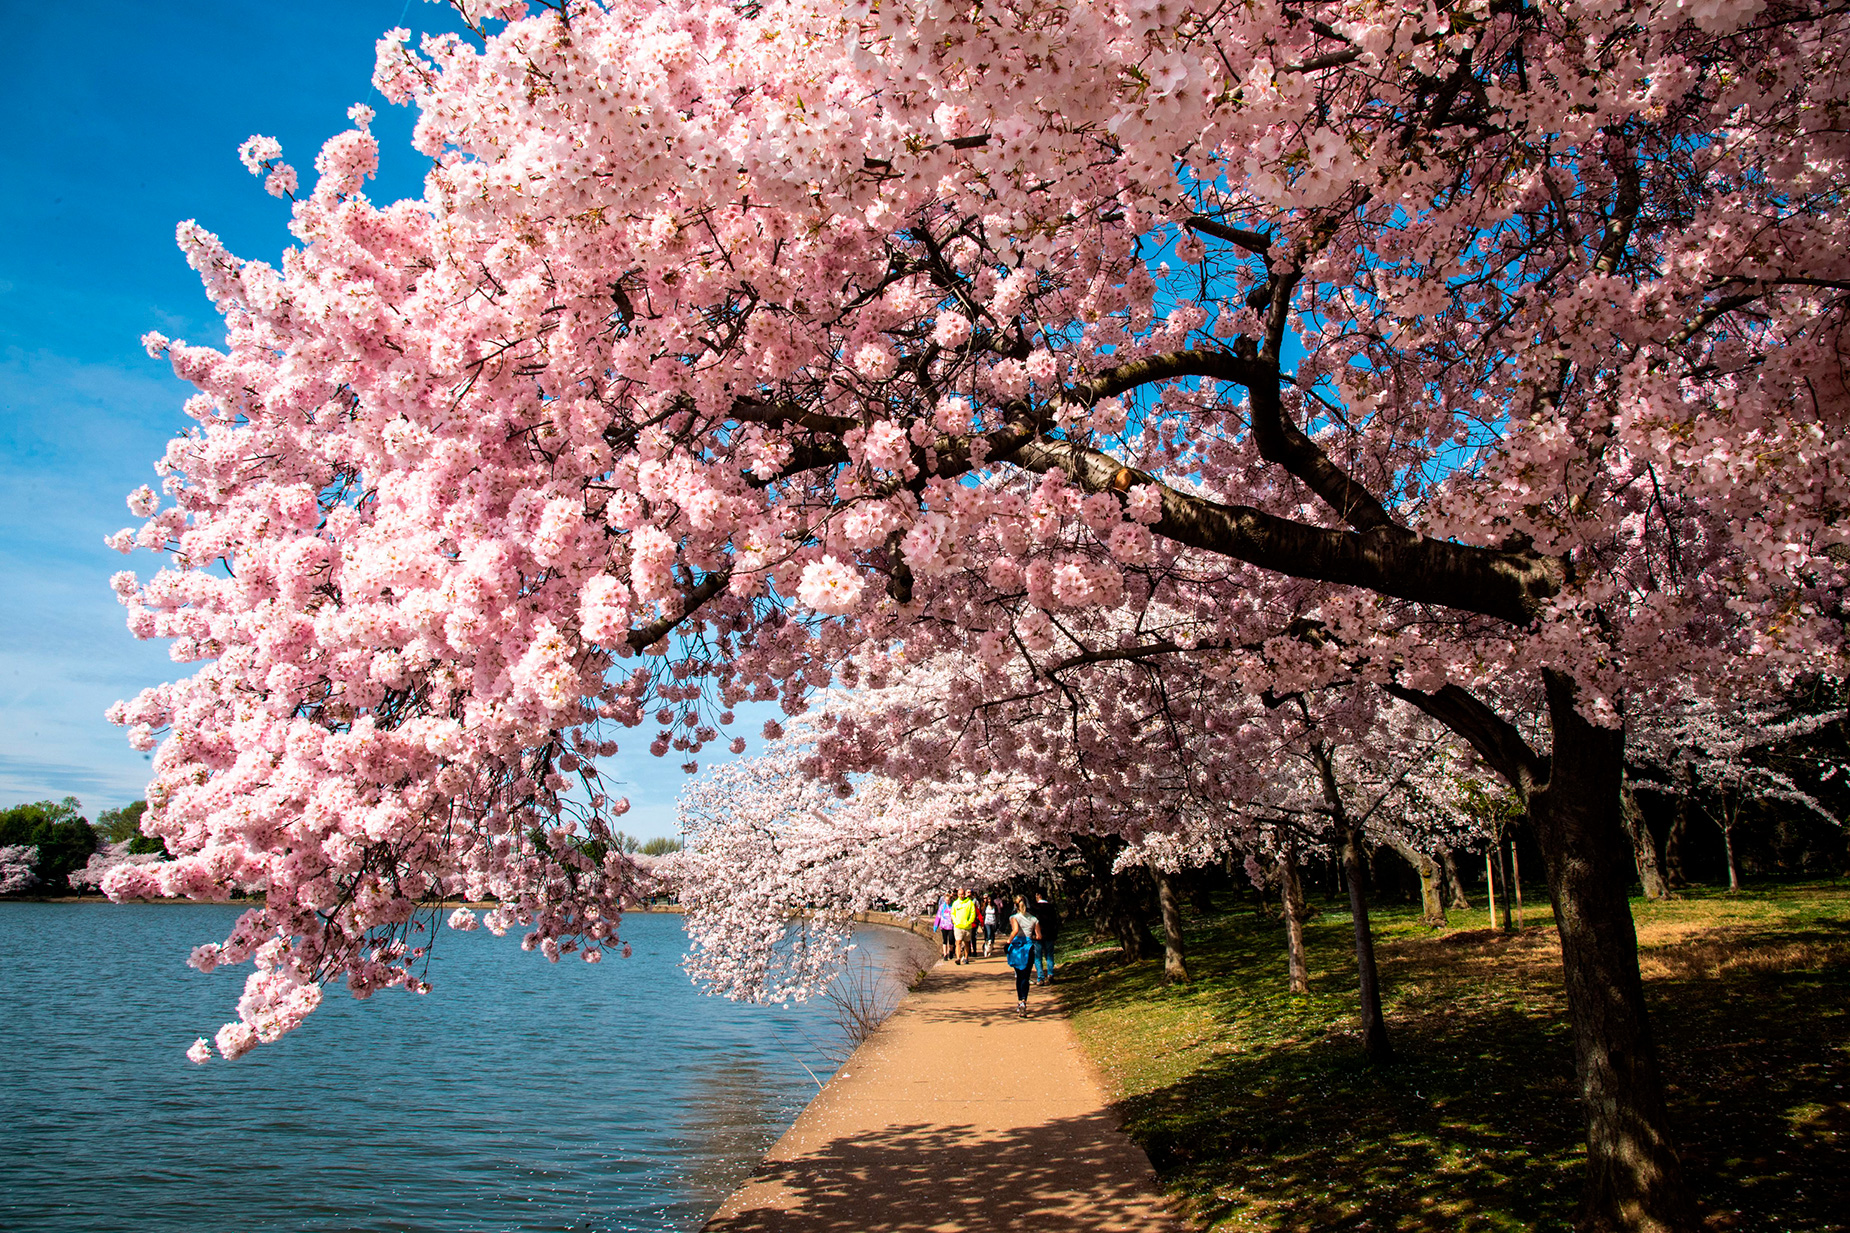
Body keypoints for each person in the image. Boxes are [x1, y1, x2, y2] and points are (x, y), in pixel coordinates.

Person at [1005, 895, 1040, 1017]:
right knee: (1026, 976)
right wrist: (1031, 937)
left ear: (1015, 905)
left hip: (1017, 948)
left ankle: (1020, 1001)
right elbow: (1039, 936)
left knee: (1019, 976)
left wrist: (1008, 942)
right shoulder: (1034, 919)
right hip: (1028, 947)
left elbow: (1015, 931)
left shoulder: (1014, 917)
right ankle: (1024, 1000)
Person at [1031, 891, 1060, 985]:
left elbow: (1032, 922)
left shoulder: (1034, 907)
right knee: (1049, 955)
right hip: (1049, 935)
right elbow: (1056, 922)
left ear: (1039, 895)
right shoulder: (1051, 907)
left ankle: (1040, 978)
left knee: (1038, 957)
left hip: (1037, 935)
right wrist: (1055, 935)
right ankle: (1050, 974)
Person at [951, 887, 979, 964]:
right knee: (958, 942)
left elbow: (973, 913)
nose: (961, 896)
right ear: (957, 895)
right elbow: (953, 914)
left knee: (967, 943)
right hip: (958, 926)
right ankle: (958, 958)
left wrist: (969, 921)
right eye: (959, 894)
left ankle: (966, 957)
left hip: (967, 926)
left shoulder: (969, 903)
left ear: (964, 894)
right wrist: (955, 921)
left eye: (962, 894)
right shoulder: (955, 903)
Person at [933, 893, 954, 961]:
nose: (947, 901)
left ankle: (951, 951)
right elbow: (938, 916)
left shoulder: (953, 906)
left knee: (951, 940)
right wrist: (936, 925)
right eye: (946, 900)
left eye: (948, 900)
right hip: (943, 926)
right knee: (945, 940)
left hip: (951, 926)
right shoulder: (942, 907)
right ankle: (945, 954)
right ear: (944, 900)